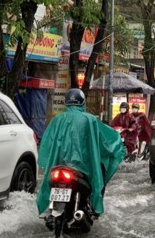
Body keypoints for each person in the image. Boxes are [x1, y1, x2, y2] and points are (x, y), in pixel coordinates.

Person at [36, 88, 125, 219]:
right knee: (99, 173)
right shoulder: (89, 120)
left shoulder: (57, 120)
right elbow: (105, 141)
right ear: (82, 103)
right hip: (83, 169)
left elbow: (46, 144)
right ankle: (93, 209)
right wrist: (117, 144)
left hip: (59, 166)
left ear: (66, 103)